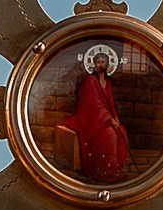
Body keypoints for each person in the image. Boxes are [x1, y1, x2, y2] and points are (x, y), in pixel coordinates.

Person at [57, 43, 133, 184]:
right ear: (93, 64)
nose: (100, 64)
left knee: (121, 131)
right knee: (109, 136)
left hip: (104, 119)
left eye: (102, 62)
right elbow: (93, 104)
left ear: (107, 63)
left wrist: (115, 117)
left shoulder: (108, 83)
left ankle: (114, 169)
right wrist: (109, 119)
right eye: (97, 62)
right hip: (90, 120)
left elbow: (109, 103)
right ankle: (106, 173)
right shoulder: (90, 81)